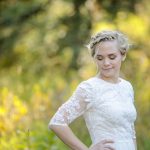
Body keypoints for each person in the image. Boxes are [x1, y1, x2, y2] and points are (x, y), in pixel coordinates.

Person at [48, 30, 137, 150]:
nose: (106, 63)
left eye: (112, 57)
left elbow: (129, 129)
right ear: (94, 58)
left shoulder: (127, 87)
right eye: (100, 58)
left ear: (123, 55)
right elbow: (56, 123)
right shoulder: (90, 88)